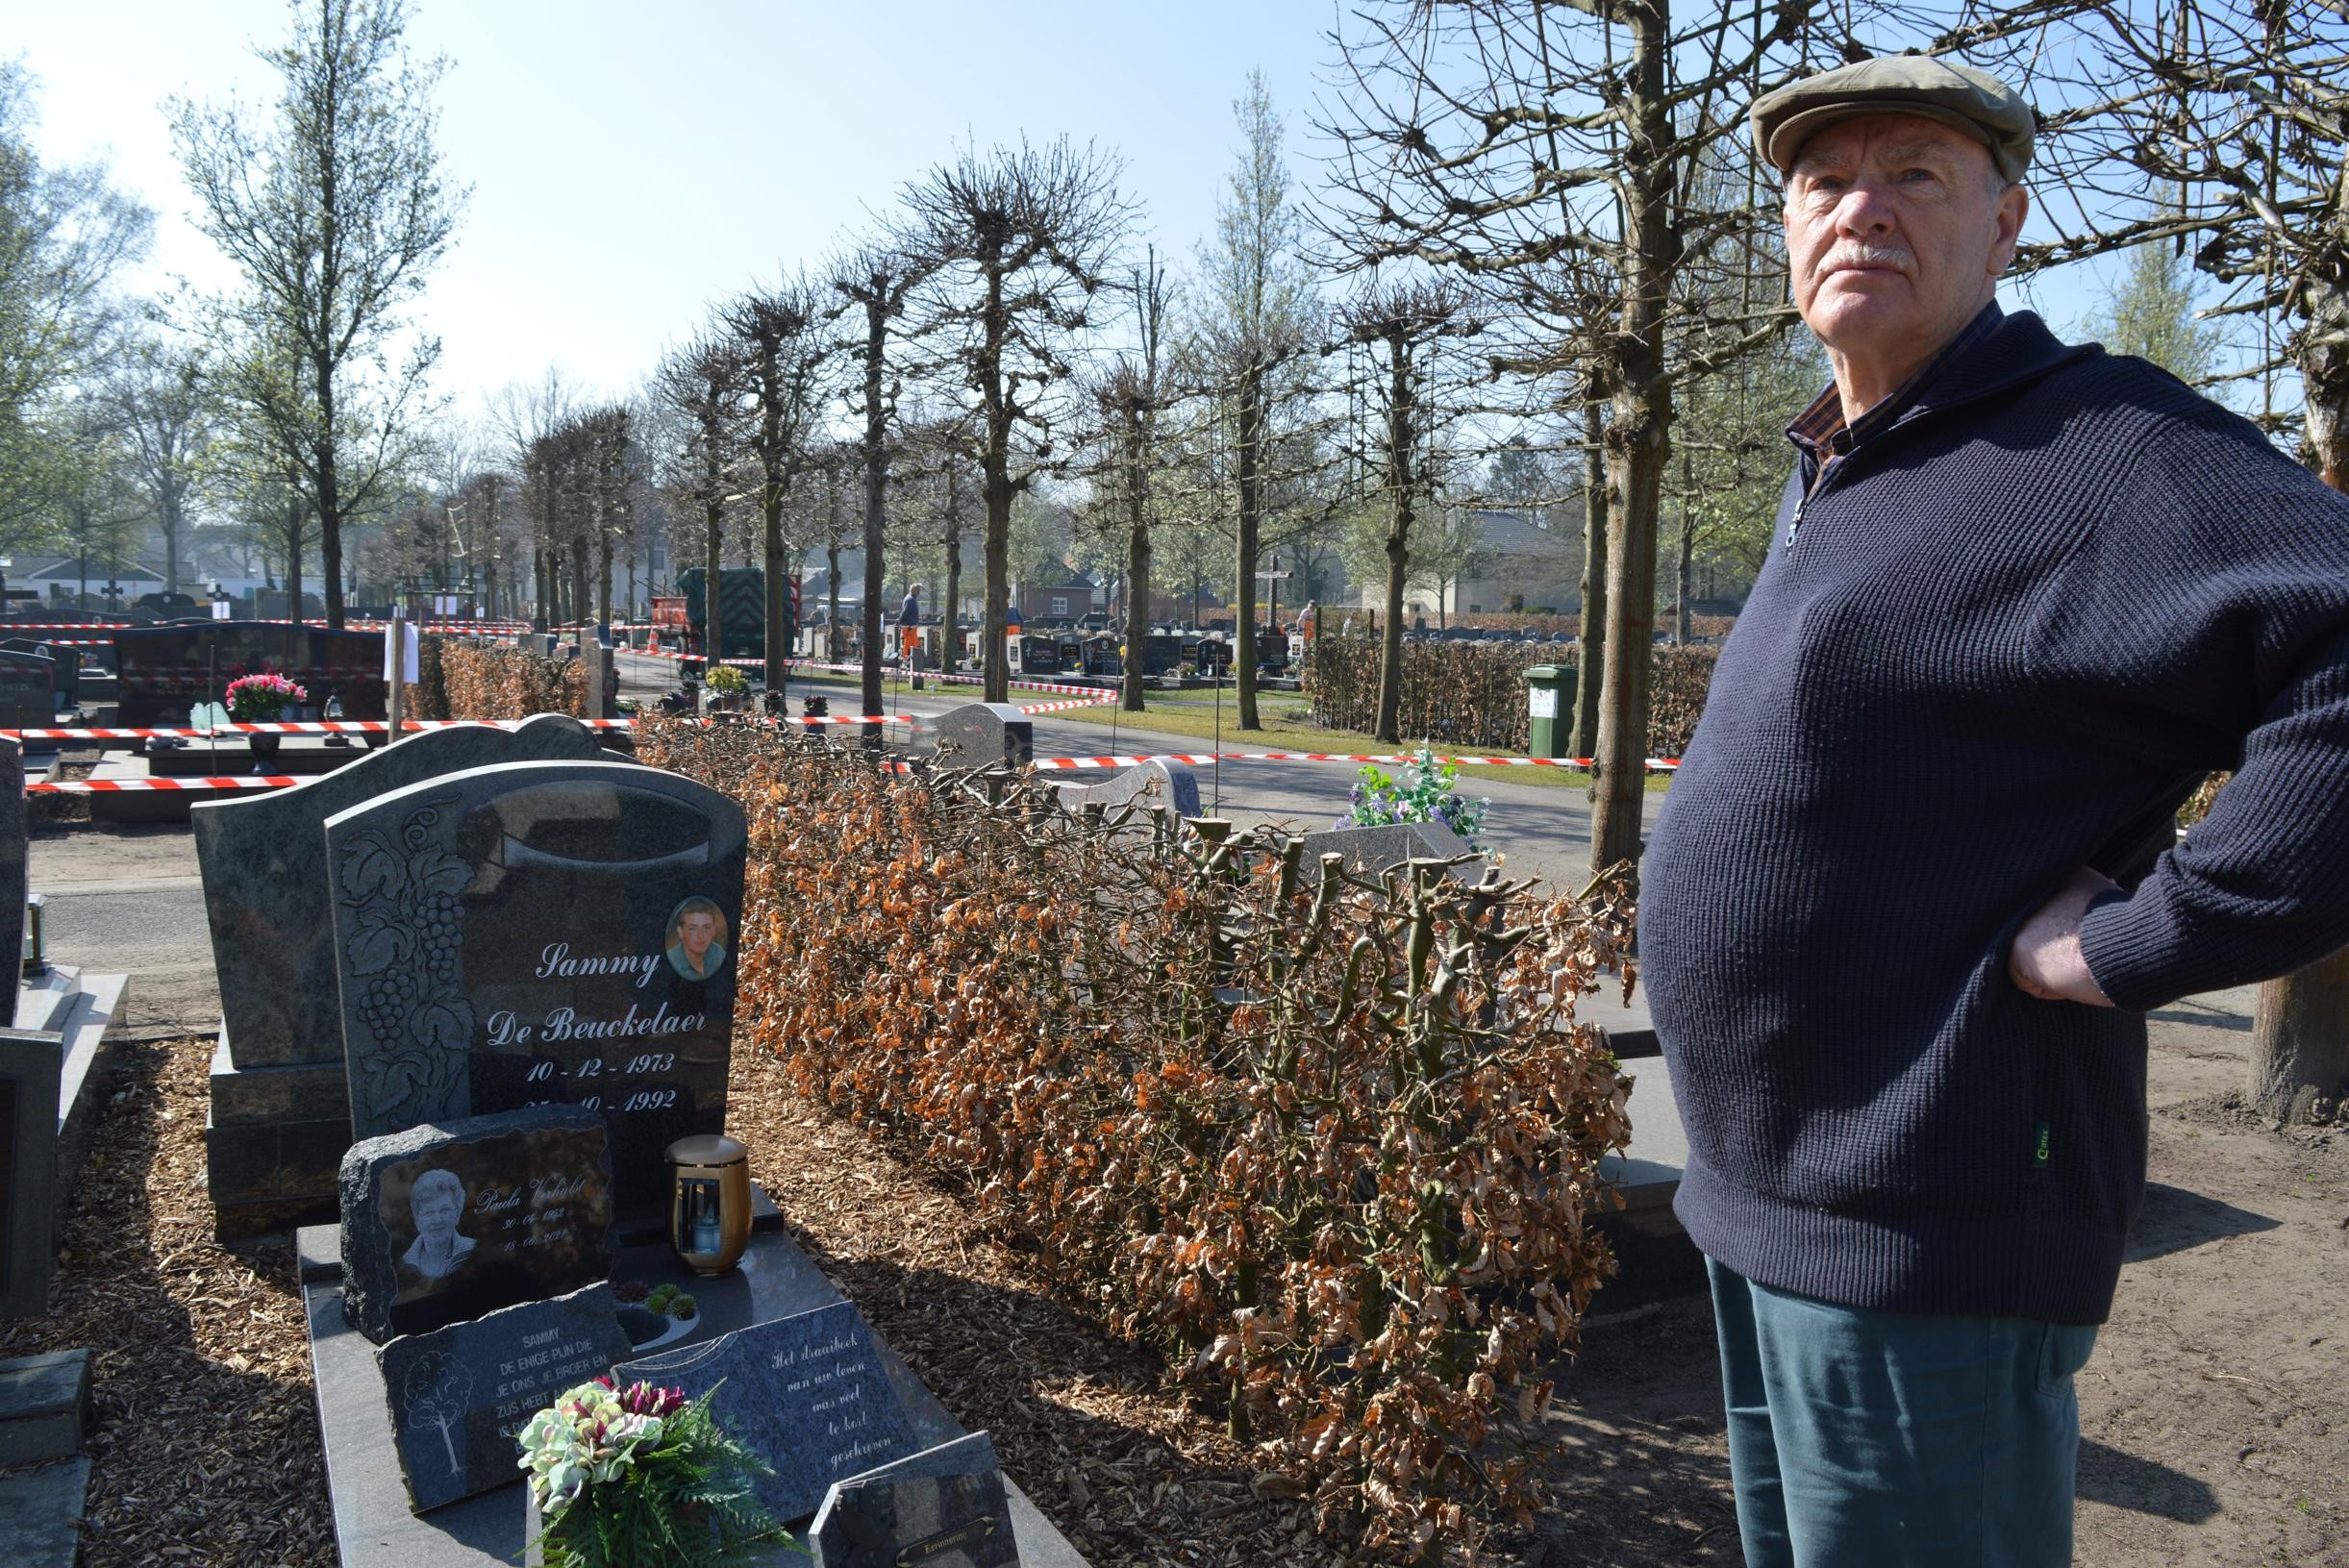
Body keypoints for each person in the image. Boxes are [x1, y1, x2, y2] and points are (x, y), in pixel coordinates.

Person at [1637, 55, 2349, 1568]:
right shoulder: (1847, 460)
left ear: (2006, 221)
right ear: (1781, 230)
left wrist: (2142, 938)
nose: (1861, 210)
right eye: (1823, 182)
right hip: (1761, 1203)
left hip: (1923, 1234)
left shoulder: (2096, 443)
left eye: (1916, 176)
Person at [400, 1168, 476, 1281]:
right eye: (429, 1212)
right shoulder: (404, 1264)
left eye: (444, 1210)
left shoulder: (475, 1249)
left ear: (457, 1214)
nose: (437, 1220)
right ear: (417, 1220)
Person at [665, 897, 729, 980]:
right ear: (681, 932)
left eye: (707, 927)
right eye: (693, 928)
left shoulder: (718, 954)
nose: (700, 935)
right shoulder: (672, 960)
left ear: (714, 930)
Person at [899, 582, 924, 688]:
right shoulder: (910, 600)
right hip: (908, 626)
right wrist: (900, 621)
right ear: (913, 590)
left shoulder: (911, 599)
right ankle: (906, 662)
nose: (919, 592)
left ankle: (909, 662)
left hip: (911, 626)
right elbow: (905, 612)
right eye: (917, 590)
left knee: (913, 645)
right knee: (909, 645)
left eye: (919, 590)